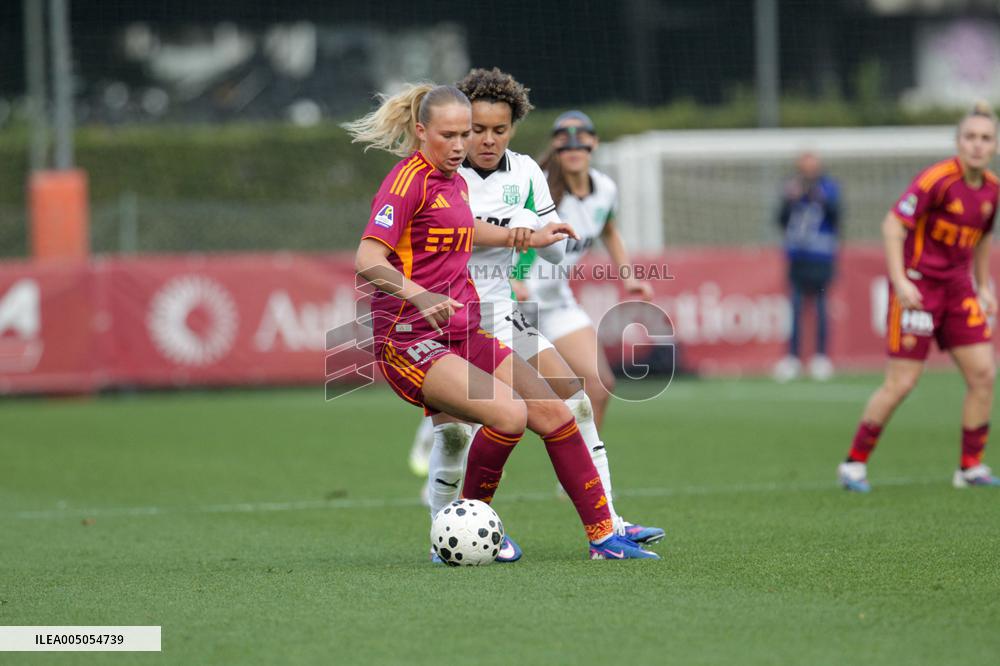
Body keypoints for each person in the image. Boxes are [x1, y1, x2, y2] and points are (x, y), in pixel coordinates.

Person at [343, 82, 657, 559]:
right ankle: (460, 530)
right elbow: (367, 257)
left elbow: (466, 227)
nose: (461, 145)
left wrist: (526, 238)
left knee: (556, 411)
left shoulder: (452, 179)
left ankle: (604, 536)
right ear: (421, 131)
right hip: (408, 336)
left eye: (464, 135)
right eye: (450, 135)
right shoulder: (406, 181)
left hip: (466, 326)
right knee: (501, 417)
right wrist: (419, 294)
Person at [838, 101, 1000, 492]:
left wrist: (985, 286)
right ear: (958, 142)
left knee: (983, 374)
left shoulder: (993, 190)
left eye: (985, 138)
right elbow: (892, 225)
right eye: (970, 137)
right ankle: (854, 465)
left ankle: (970, 467)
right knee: (902, 383)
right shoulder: (937, 180)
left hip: (958, 289)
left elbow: (981, 239)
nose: (977, 145)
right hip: (920, 288)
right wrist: (900, 280)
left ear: (994, 146)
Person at [512, 110, 654, 432]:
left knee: (599, 384)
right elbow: (508, 240)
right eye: (566, 144)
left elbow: (609, 230)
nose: (574, 150)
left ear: (594, 144)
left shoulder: (605, 189)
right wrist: (514, 278)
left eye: (582, 143)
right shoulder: (539, 192)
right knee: (494, 399)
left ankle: (581, 477)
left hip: (556, 302)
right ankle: (442, 437)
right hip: (514, 304)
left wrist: (629, 276)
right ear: (556, 149)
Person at [772, 152, 841, 382]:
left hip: (821, 256)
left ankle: (820, 358)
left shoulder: (829, 187)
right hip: (798, 256)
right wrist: (790, 199)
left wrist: (818, 197)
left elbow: (837, 215)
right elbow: (780, 219)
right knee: (795, 307)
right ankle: (792, 358)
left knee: (821, 308)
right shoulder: (791, 187)